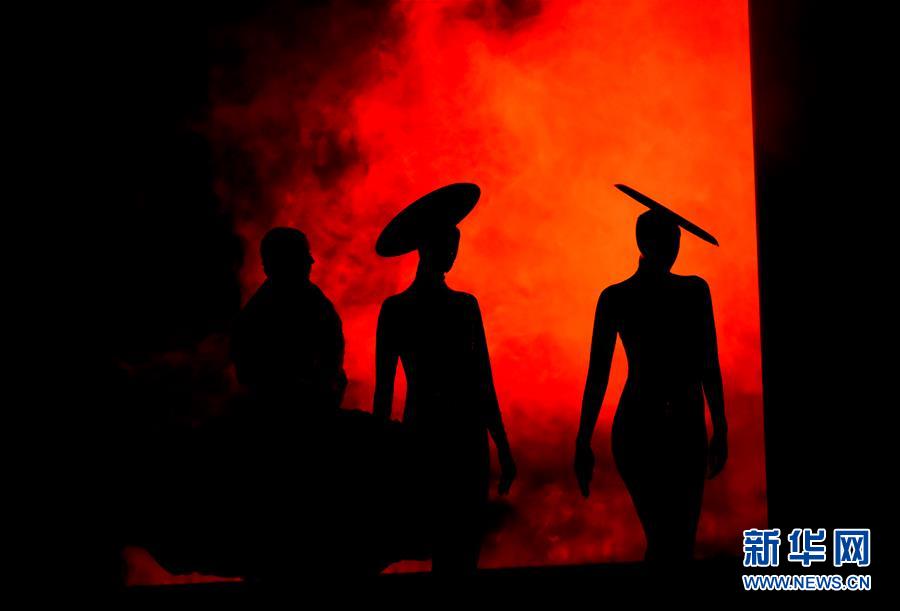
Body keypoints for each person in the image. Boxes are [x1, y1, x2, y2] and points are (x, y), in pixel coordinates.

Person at [575, 184, 728, 563]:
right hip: (652, 425)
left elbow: (709, 363)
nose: (674, 248)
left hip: (666, 424)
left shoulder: (674, 292)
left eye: (676, 240)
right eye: (668, 240)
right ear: (645, 242)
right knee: (670, 539)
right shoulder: (677, 293)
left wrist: (721, 426)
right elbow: (598, 374)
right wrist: (582, 440)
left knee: (672, 539)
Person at [373, 183, 517, 574]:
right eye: (450, 245)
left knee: (443, 537)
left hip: (424, 430)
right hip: (460, 436)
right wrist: (501, 444)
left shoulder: (396, 309)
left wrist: (381, 449)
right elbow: (481, 381)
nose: (453, 253)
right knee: (460, 545)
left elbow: (384, 393)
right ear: (431, 248)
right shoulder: (462, 307)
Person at [231, 226, 347, 416]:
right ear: (285, 262)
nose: (311, 261)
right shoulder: (259, 315)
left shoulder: (314, 302)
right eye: (304, 256)